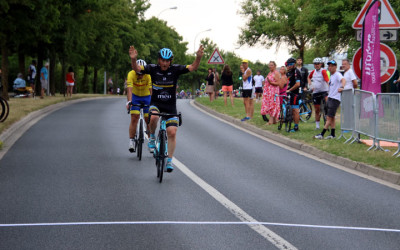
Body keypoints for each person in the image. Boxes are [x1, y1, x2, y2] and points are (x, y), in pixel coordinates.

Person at [129, 45, 204, 172]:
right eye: (162, 60)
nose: (164, 63)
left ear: (170, 61)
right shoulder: (152, 68)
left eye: (167, 60)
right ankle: (152, 137)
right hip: (156, 104)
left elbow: (192, 67)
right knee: (153, 117)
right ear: (159, 60)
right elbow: (136, 68)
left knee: (172, 132)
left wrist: (198, 57)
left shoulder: (175, 69)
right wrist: (133, 59)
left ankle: (169, 160)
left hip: (170, 106)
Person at [315, 60, 346, 139]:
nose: (330, 67)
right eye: (329, 66)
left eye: (332, 66)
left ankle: (322, 134)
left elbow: (343, 80)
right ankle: (332, 134)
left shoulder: (337, 74)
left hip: (335, 99)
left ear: (335, 67)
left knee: (328, 117)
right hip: (330, 97)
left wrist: (342, 87)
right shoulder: (332, 76)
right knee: (331, 117)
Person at [126, 59, 152, 153]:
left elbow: (151, 90)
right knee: (134, 117)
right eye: (138, 73)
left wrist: (153, 103)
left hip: (146, 97)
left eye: (142, 73)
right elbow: (129, 89)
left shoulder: (149, 75)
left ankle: (151, 142)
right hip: (135, 96)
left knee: (148, 119)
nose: (140, 75)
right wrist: (129, 102)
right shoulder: (131, 74)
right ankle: (131, 140)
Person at [308, 57, 330, 130]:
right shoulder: (313, 72)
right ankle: (317, 126)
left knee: (327, 104)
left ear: (321, 64)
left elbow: (327, 80)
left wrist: (330, 88)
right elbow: (308, 77)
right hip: (316, 92)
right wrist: (310, 85)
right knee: (317, 109)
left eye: (318, 64)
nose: (317, 65)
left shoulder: (323, 71)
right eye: (315, 64)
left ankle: (328, 120)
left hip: (324, 91)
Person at [285, 58, 302, 132]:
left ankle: (296, 127)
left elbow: (298, 84)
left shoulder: (296, 72)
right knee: (291, 109)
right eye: (288, 64)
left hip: (295, 93)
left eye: (290, 64)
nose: (289, 66)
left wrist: (289, 90)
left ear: (294, 64)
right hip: (289, 93)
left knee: (295, 110)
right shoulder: (288, 72)